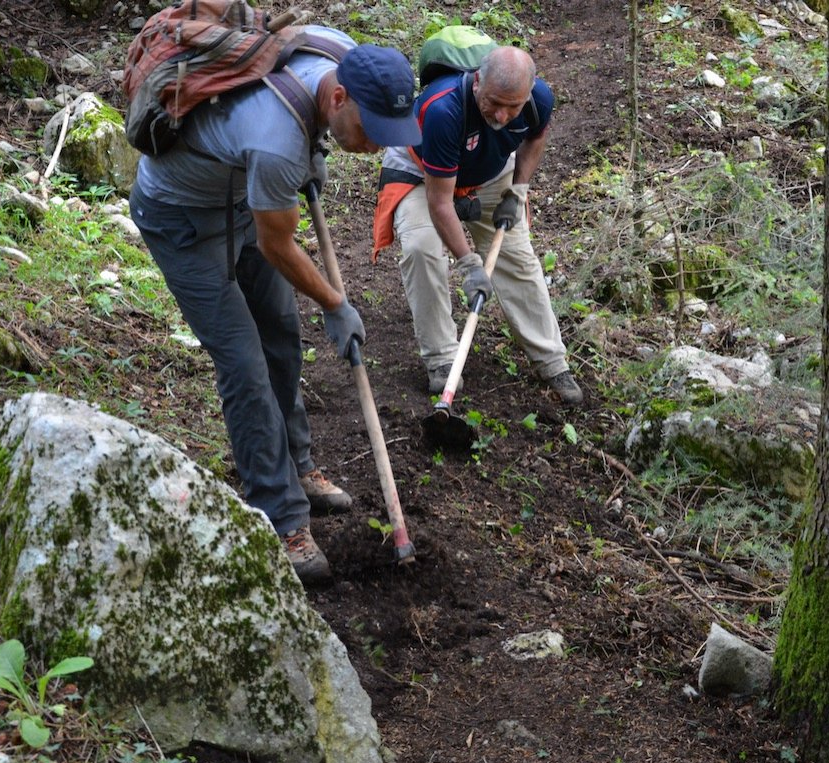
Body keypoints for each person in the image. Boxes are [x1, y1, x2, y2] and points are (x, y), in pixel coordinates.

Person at [129, 31, 421, 585]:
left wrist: (316, 152)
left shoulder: (339, 52)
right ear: (338, 100)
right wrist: (336, 303)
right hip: (183, 219)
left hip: (242, 199)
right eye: (368, 131)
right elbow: (277, 245)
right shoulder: (274, 140)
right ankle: (280, 515)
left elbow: (277, 213)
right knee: (244, 364)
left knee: (283, 334)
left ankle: (298, 464)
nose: (371, 146)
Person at [372, 45, 582, 405]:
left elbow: (535, 138)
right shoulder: (443, 110)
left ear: (528, 95)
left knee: (515, 255)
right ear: (478, 82)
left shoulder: (538, 100)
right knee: (423, 249)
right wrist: (469, 264)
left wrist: (518, 189)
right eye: (494, 102)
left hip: (489, 170)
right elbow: (441, 202)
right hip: (421, 173)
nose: (501, 115)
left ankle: (551, 359)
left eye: (512, 106)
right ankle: (442, 360)